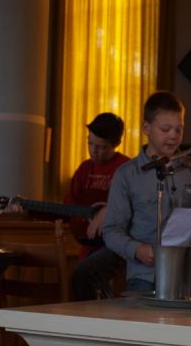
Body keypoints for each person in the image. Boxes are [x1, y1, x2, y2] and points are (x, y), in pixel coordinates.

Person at [103, 91, 191, 293]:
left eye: (179, 129)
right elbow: (111, 230)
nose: (173, 136)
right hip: (146, 275)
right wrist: (137, 250)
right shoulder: (127, 174)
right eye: (165, 129)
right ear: (146, 128)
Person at [69, 112, 130, 301]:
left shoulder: (125, 168)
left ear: (116, 143)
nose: (94, 151)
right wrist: (29, 208)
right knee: (80, 277)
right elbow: (68, 205)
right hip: (89, 243)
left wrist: (108, 211)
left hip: (116, 244)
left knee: (85, 273)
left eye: (101, 147)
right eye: (90, 144)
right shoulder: (84, 169)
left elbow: (133, 205)